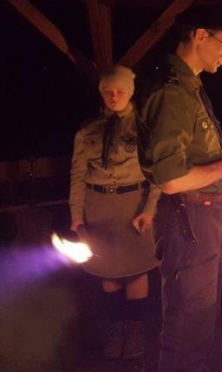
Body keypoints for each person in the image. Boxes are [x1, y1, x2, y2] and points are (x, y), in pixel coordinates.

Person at [136, 9, 222, 372]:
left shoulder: (189, 87)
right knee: (187, 325)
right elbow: (171, 179)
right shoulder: (172, 93)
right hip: (188, 219)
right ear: (199, 35)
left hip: (201, 219)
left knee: (200, 321)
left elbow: (195, 155)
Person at [69, 65, 161, 360]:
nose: (114, 96)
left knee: (134, 272)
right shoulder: (88, 131)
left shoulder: (145, 129)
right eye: (108, 91)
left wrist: (149, 209)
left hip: (132, 205)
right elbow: (77, 174)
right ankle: (115, 328)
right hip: (98, 207)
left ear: (130, 93)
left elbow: (157, 175)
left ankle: (134, 331)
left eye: (120, 91)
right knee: (107, 272)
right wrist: (76, 215)